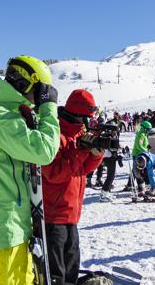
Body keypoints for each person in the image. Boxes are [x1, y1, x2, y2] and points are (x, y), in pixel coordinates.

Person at [0, 55, 60, 285]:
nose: (37, 98)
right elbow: (44, 151)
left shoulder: (6, 113)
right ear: (25, 84)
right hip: (3, 223)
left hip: (12, 220)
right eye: (38, 90)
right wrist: (49, 109)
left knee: (24, 279)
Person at [42, 89, 105, 285]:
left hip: (71, 212)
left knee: (72, 267)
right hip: (54, 214)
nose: (88, 122)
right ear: (76, 114)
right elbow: (54, 173)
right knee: (56, 273)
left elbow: (82, 170)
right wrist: (81, 151)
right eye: (86, 117)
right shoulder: (55, 135)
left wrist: (95, 154)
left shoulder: (79, 134)